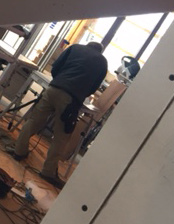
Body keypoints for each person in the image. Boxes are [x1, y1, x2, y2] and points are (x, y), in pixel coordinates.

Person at [11, 41, 108, 189]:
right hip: (70, 100)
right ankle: (48, 172)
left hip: (53, 89)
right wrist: (79, 93)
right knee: (61, 136)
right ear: (100, 51)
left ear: (88, 45)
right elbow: (94, 87)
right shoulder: (102, 62)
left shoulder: (74, 47)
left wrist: (59, 81)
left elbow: (56, 67)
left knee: (33, 121)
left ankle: (19, 152)